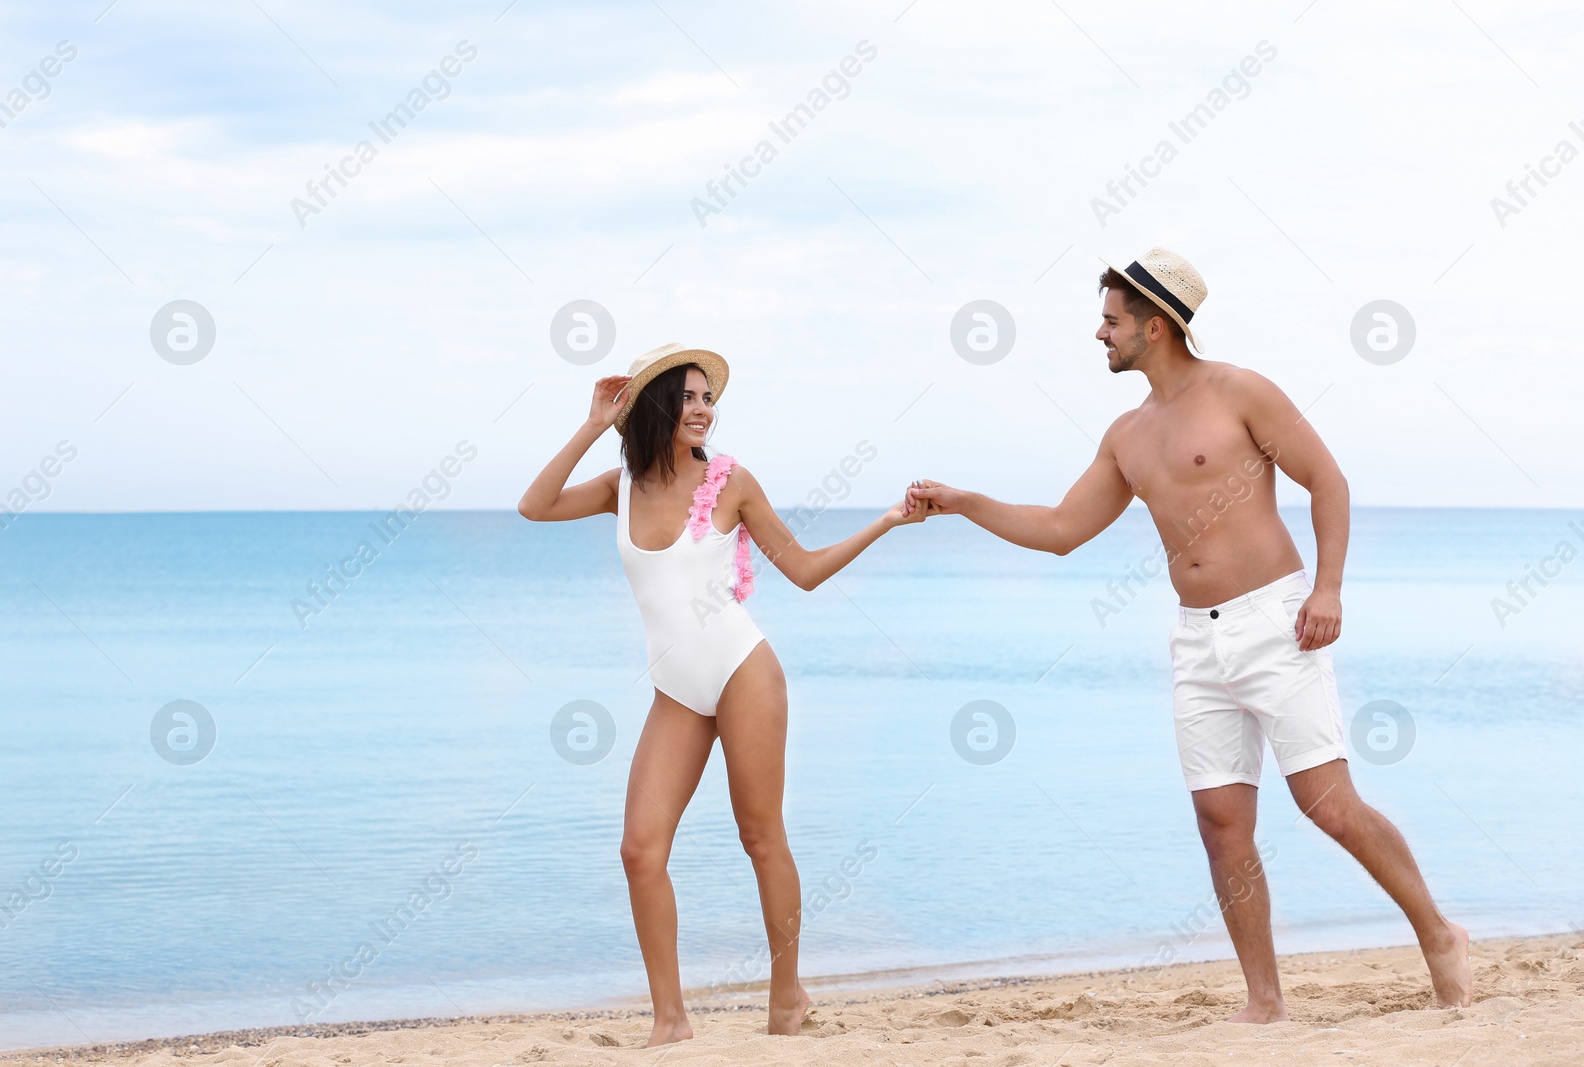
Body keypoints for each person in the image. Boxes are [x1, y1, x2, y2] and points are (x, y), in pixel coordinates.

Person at [906, 248, 1472, 1021]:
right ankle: (1264, 998)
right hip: (1195, 641)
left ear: (1156, 324)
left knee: (1329, 804)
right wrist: (964, 500)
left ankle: (1439, 933)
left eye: (1110, 320)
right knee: (1221, 824)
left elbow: (1328, 480)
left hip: (1280, 623)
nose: (1098, 334)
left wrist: (1329, 587)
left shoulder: (1239, 391)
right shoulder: (1125, 434)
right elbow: (1063, 529)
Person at [519, 342, 928, 1045]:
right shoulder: (618, 487)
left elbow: (802, 569)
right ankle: (671, 1020)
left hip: (742, 668)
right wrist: (592, 423)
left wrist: (887, 518)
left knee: (761, 836)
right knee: (639, 851)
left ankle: (787, 999)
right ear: (655, 407)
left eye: (710, 398)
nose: (705, 409)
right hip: (675, 689)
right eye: (690, 397)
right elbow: (533, 505)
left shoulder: (731, 481)